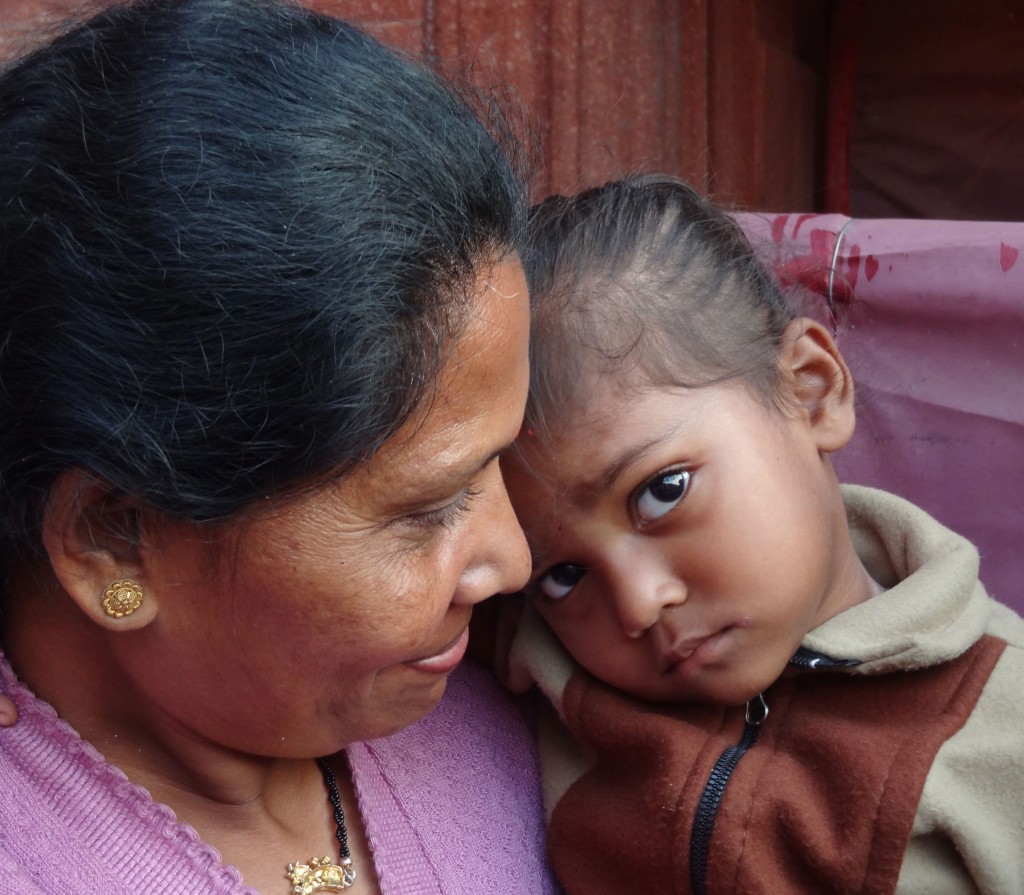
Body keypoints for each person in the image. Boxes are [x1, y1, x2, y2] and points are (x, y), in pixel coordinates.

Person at [0, 1, 560, 892]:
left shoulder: (539, 707)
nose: (516, 561)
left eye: (498, 462)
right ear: (118, 534)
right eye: (426, 509)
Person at [499, 174, 1024, 894]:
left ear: (810, 391)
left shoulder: (1002, 724)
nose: (638, 605)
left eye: (662, 490)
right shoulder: (538, 660)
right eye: (561, 575)